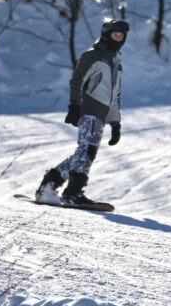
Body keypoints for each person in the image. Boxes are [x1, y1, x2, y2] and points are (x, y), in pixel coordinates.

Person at [35, 19, 129, 205]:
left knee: (83, 152)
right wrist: (74, 106)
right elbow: (76, 81)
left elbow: (115, 95)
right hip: (89, 109)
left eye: (121, 36)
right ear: (106, 35)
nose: (118, 39)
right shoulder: (93, 56)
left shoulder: (117, 64)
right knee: (87, 150)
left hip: (101, 114)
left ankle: (49, 185)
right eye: (114, 35)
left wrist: (115, 122)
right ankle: (73, 193)